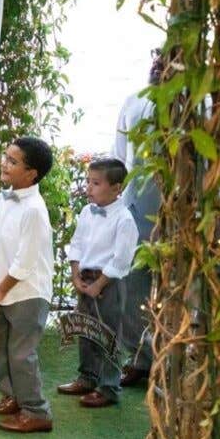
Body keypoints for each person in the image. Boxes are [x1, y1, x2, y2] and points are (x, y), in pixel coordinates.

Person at [0, 137, 55, 433]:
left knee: (21, 353)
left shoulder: (34, 209)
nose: (4, 163)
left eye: (13, 162)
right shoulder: (5, 198)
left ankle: (37, 411)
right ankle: (13, 396)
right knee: (2, 348)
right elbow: (6, 246)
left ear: (31, 173)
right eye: (5, 157)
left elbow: (25, 261)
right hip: (9, 288)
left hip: (28, 292)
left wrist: (1, 288)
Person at [57, 158, 139, 407]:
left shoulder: (124, 219)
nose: (88, 188)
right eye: (87, 182)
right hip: (86, 277)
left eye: (96, 183)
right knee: (86, 329)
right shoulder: (86, 212)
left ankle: (108, 386)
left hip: (109, 283)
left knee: (107, 334)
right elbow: (77, 243)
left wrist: (99, 284)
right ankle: (87, 377)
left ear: (116, 188)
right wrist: (75, 274)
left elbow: (121, 259)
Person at [113, 52, 163, 387]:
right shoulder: (133, 102)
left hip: (189, 219)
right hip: (137, 212)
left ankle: (180, 359)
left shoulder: (203, 107)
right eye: (157, 65)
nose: (159, 71)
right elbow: (120, 155)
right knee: (130, 288)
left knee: (187, 292)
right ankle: (140, 359)